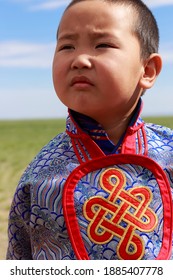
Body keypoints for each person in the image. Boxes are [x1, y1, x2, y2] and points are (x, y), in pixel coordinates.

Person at [7, 0, 173, 260]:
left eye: (102, 45)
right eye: (66, 46)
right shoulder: (38, 176)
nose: (79, 59)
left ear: (148, 70)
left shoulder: (169, 153)